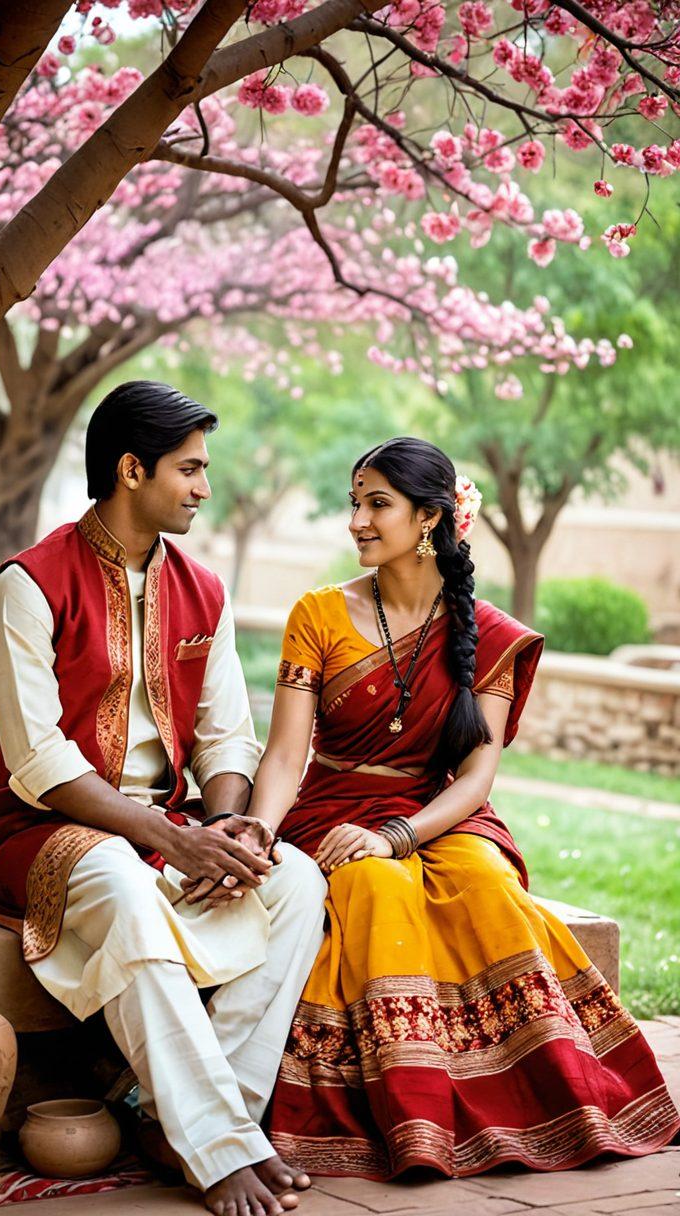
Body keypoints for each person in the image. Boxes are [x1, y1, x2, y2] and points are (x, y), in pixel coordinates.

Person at [247, 436, 680, 1180]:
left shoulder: (493, 636)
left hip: (437, 810)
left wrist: (396, 834)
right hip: (334, 807)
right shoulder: (318, 613)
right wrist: (260, 829)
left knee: (485, 886)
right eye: (355, 501)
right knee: (375, 890)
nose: (356, 520)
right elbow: (286, 755)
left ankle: (555, 1100)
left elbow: (477, 779)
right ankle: (414, 1118)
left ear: (430, 518)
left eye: (376, 503)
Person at [0, 381, 327, 1216]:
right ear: (132, 469)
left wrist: (231, 822)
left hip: (168, 831)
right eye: (190, 469)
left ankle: (184, 1118)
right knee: (126, 884)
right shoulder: (27, 584)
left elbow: (225, 737)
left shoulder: (203, 590)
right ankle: (222, 1149)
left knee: (298, 880)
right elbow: (39, 761)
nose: (205, 488)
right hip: (45, 829)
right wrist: (173, 838)